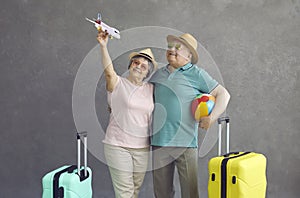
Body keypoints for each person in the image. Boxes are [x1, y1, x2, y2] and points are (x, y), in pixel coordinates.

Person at [150, 33, 230, 198]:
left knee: (190, 193)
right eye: (170, 47)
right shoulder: (158, 74)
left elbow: (224, 94)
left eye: (177, 48)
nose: (171, 50)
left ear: (189, 55)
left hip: (186, 144)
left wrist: (211, 118)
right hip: (159, 142)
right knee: (161, 194)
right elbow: (143, 97)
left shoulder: (196, 74)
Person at [97, 31, 157, 198]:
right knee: (125, 193)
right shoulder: (117, 83)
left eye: (143, 66)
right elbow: (108, 71)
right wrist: (103, 46)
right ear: (130, 65)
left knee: (134, 192)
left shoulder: (151, 89)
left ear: (147, 73)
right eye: (135, 63)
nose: (138, 66)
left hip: (142, 148)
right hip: (118, 146)